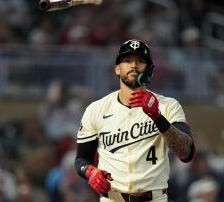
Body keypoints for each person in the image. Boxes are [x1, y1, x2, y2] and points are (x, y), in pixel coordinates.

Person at [74, 39, 196, 202]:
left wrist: (158, 118)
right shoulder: (95, 109)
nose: (133, 65)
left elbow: (186, 153)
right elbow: (81, 159)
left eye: (140, 61)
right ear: (117, 69)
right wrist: (90, 172)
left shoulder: (168, 106)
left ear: (150, 70)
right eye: (127, 60)